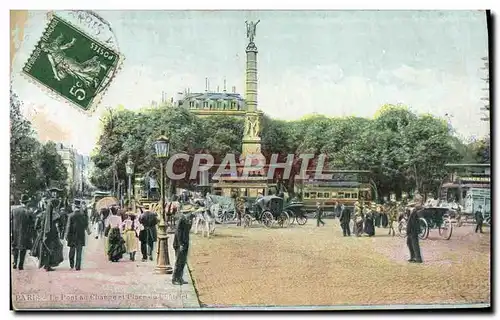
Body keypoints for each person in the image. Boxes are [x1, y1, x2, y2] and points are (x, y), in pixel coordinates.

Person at [32, 194, 64, 271]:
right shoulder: (54, 215)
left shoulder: (42, 214)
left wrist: (40, 231)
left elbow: (37, 226)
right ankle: (48, 265)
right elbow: (59, 224)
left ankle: (47, 265)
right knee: (51, 249)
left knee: (45, 249)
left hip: (44, 234)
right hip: (51, 235)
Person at [172, 206, 196, 285]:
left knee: (183, 262)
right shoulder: (181, 219)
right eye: (190, 213)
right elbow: (178, 233)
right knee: (179, 262)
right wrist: (181, 243)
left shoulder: (186, 219)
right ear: (186, 213)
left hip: (185, 243)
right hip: (180, 244)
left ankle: (180, 278)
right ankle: (175, 279)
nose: (191, 214)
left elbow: (188, 229)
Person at [11, 195, 35, 270]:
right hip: (25, 233)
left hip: (15, 232)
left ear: (21, 202)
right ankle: (20, 265)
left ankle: (15, 262)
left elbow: (10, 221)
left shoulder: (14, 211)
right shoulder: (29, 212)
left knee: (15, 247)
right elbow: (32, 223)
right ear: (27, 203)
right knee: (23, 249)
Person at [66, 204, 90, 270]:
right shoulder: (83, 216)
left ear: (74, 208)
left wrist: (66, 235)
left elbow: (68, 226)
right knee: (79, 252)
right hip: (80, 236)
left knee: (72, 251)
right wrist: (88, 232)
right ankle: (78, 266)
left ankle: (71, 265)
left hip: (72, 236)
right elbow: (86, 225)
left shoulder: (71, 216)